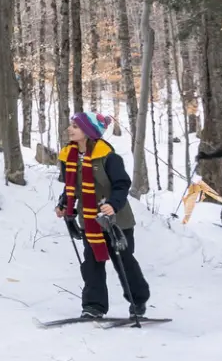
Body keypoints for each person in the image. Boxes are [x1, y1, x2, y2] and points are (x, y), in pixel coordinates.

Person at [54, 113, 151, 319]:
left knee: (123, 261)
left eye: (76, 127)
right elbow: (73, 188)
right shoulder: (69, 157)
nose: (70, 129)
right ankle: (93, 306)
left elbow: (122, 184)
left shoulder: (108, 157)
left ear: (89, 132)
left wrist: (113, 205)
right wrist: (64, 204)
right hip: (90, 220)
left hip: (117, 220)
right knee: (91, 262)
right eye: (71, 126)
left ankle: (138, 301)